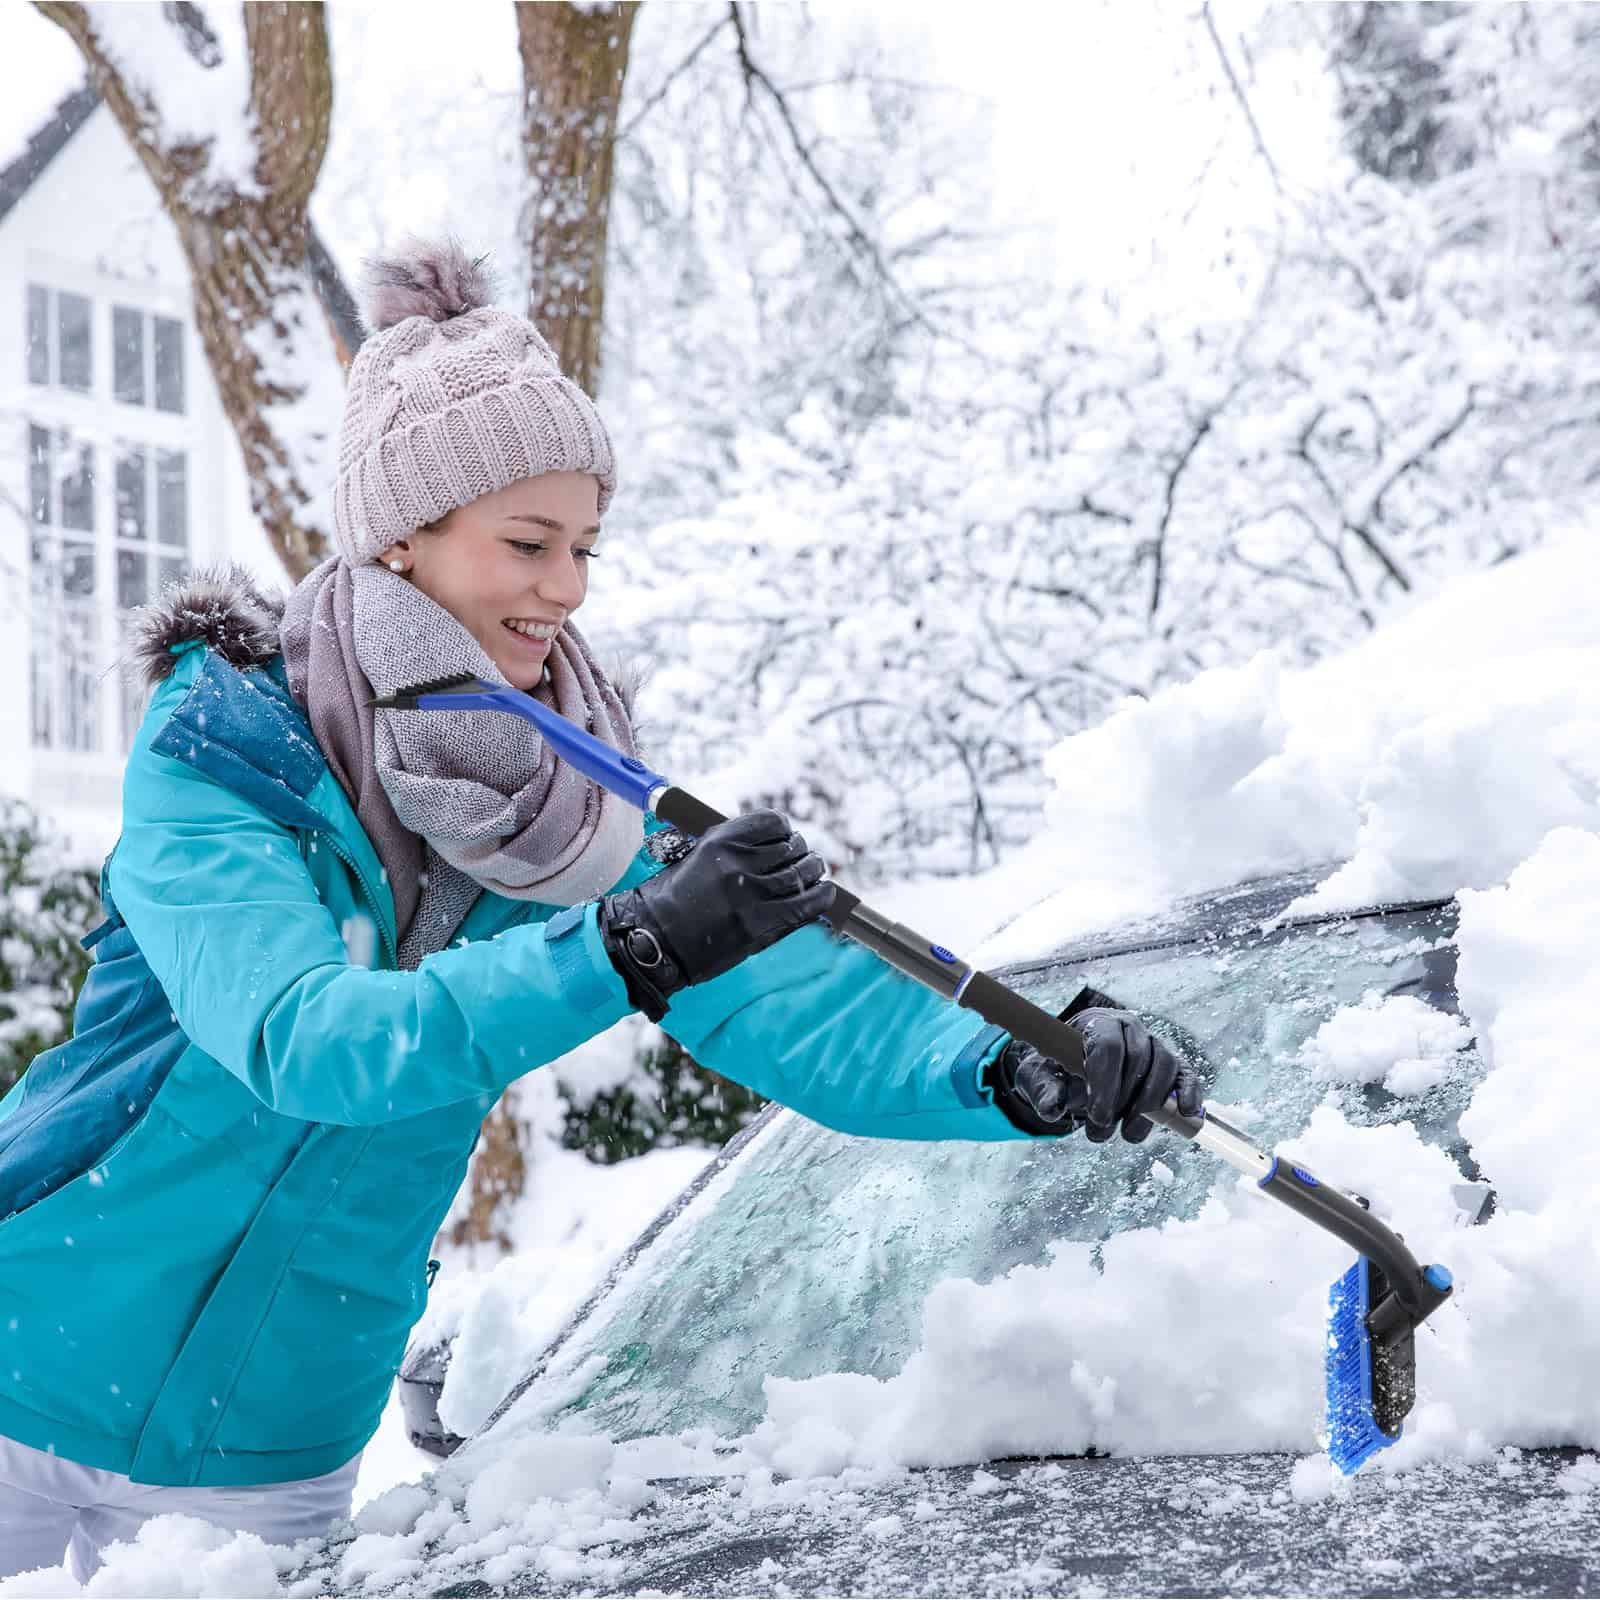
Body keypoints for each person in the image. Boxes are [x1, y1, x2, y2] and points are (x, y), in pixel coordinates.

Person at [0, 238, 1199, 1581]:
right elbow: (306, 1039)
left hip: (271, 1444)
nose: (565, 587)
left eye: (582, 547)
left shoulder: (565, 796)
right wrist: (622, 948)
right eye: (527, 543)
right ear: (402, 533)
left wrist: (1015, 1059)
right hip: (24, 1350)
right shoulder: (225, 754)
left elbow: (797, 1008)